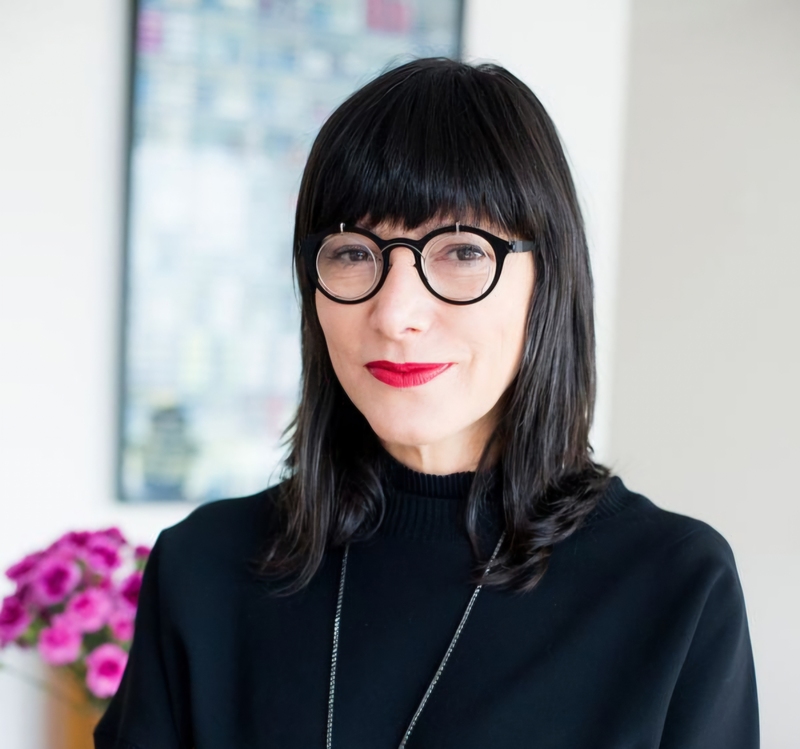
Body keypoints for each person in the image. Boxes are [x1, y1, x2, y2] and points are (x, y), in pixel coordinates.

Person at [94, 58, 759, 749]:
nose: (395, 313)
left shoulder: (672, 586)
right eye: (353, 252)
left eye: (462, 252)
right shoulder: (204, 569)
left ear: (548, 280)